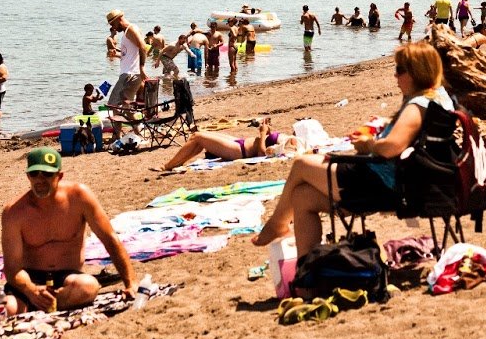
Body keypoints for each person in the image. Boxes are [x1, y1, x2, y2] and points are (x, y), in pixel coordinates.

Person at [253, 43, 452, 257]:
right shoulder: (439, 98)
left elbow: (392, 147)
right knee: (302, 197)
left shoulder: (417, 106)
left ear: (417, 72)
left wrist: (368, 144)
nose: (395, 76)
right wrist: (388, 124)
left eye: (400, 70)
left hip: (379, 183)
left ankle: (276, 224)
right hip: (400, 182)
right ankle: (307, 274)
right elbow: (411, 133)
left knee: (301, 164)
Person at [0, 147, 137, 316]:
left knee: (88, 287)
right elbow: (12, 268)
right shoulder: (14, 211)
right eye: (34, 174)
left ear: (59, 176)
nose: (40, 180)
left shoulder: (79, 197)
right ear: (28, 176)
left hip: (67, 277)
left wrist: (131, 282)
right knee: (4, 310)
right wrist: (32, 291)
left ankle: (39, 305)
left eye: (46, 174)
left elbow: (110, 239)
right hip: (30, 280)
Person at [162, 117, 285, 171]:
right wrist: (267, 129)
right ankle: (179, 162)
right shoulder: (285, 141)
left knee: (197, 137)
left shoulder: (282, 146)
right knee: (201, 134)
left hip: (239, 150)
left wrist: (263, 134)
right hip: (239, 142)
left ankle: (168, 166)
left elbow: (262, 153)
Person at [105, 10, 149, 110]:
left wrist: (142, 67)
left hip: (129, 75)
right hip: (130, 74)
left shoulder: (130, 29)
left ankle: (118, 125)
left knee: (113, 106)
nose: (112, 27)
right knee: (126, 107)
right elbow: (129, 55)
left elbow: (143, 47)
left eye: (112, 24)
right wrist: (115, 55)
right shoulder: (126, 32)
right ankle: (136, 125)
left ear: (118, 19)